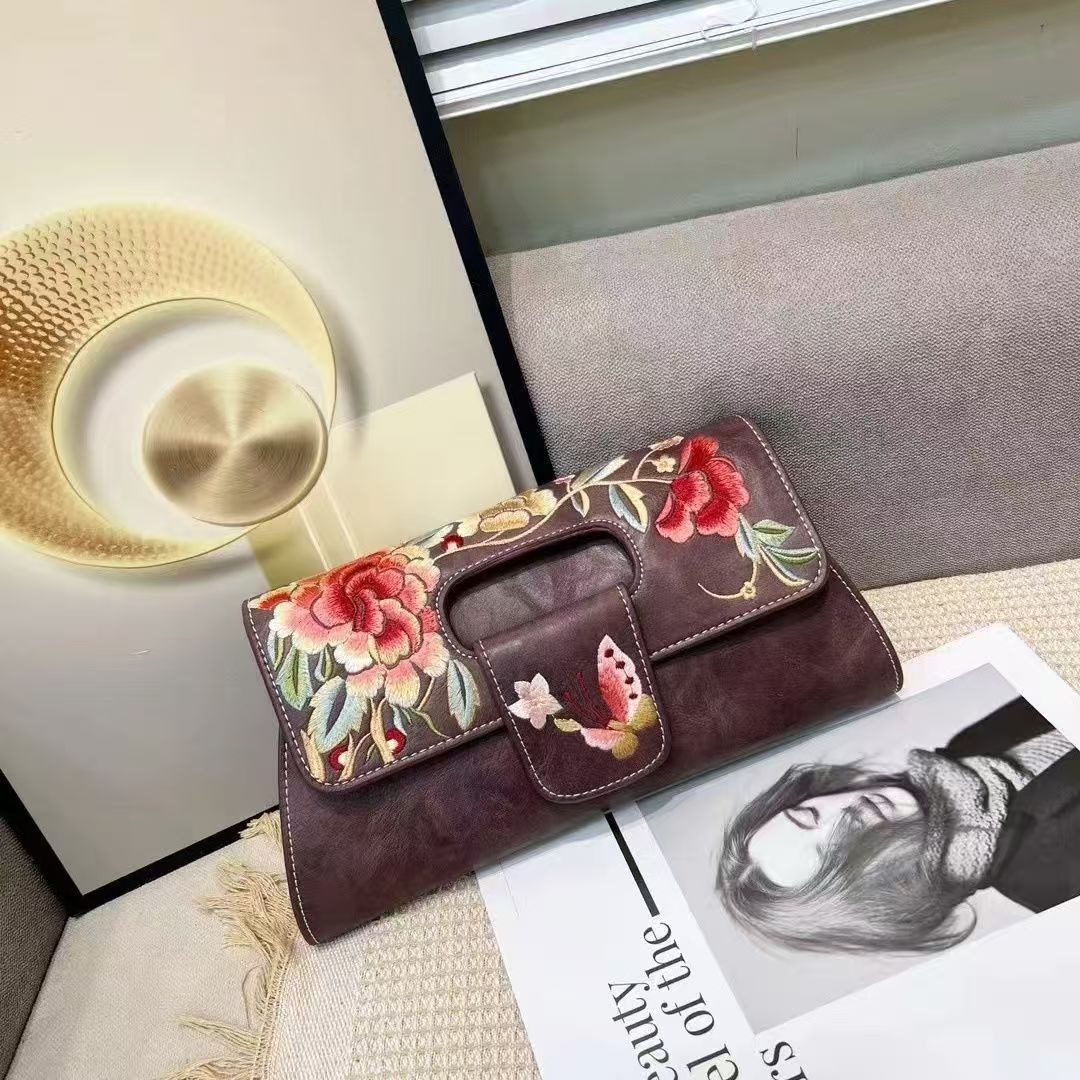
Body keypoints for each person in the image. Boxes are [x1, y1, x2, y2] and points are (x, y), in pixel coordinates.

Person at [716, 697, 1080, 954]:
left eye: (808, 813)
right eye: (831, 854)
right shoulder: (1056, 881)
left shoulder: (967, 748)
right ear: (874, 897)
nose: (844, 817)